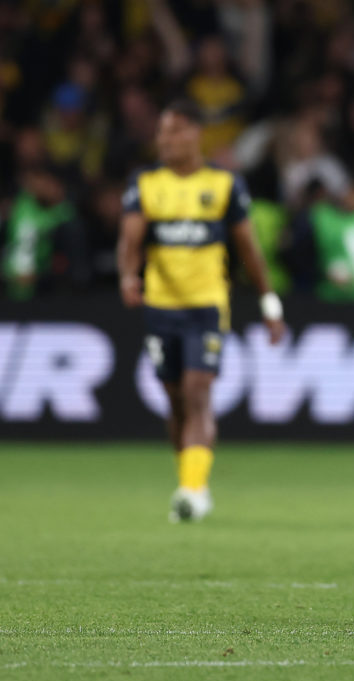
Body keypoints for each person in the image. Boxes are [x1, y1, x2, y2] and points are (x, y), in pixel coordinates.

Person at [117, 100, 285, 522]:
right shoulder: (146, 183)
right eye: (161, 133)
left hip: (207, 306)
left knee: (197, 392)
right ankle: (192, 482)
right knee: (174, 399)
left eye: (172, 132)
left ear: (194, 134)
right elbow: (130, 239)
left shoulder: (225, 184)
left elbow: (248, 247)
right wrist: (127, 275)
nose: (165, 140)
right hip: (160, 306)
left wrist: (268, 301)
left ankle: (191, 490)